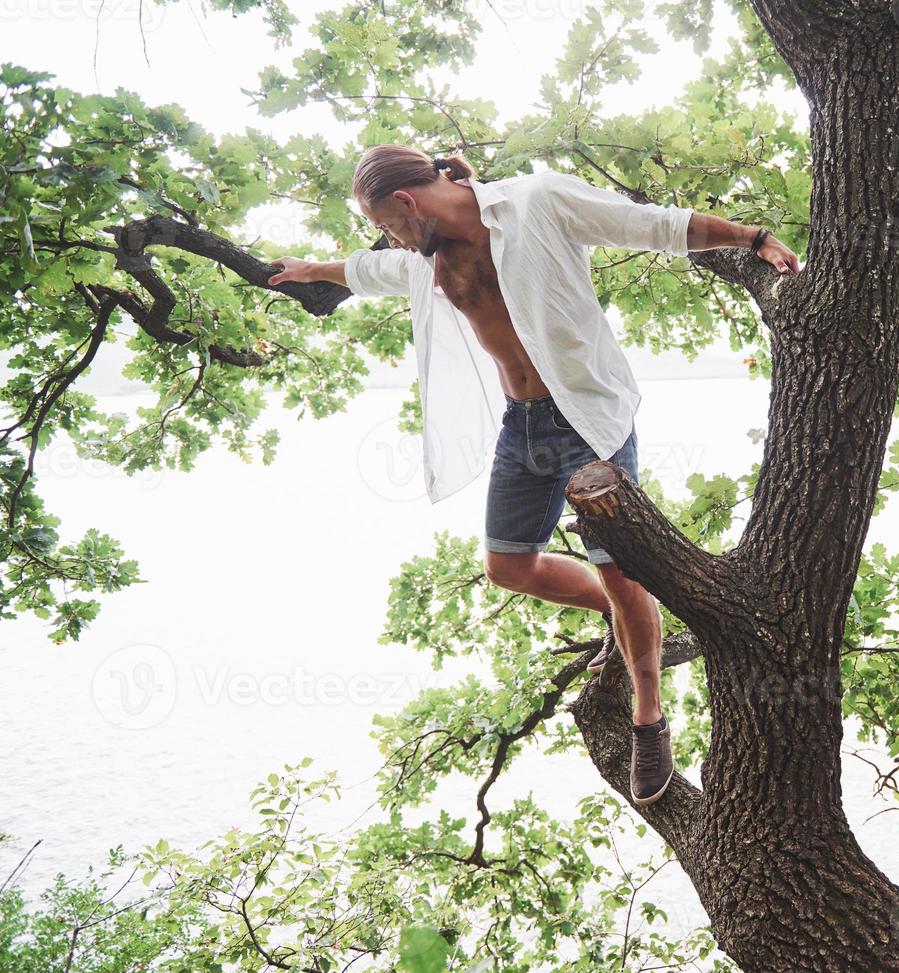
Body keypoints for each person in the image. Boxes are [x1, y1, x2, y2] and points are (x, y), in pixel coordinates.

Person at [268, 145, 800, 805]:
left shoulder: (535, 202)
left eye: (389, 224)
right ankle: (626, 614)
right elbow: (368, 271)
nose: (391, 240)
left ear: (407, 202)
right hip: (520, 426)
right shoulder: (423, 257)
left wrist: (753, 238)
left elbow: (657, 226)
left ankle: (648, 716)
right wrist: (310, 269)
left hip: (588, 420)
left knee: (619, 568)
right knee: (509, 565)